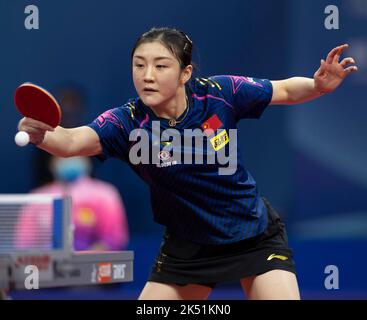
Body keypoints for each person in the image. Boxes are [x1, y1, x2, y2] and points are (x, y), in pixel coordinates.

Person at [17, 27, 358, 300]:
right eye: (139, 64)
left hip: (252, 235)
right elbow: (72, 141)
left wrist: (317, 85)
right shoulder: (127, 123)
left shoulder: (220, 94)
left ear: (185, 73)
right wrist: (41, 133)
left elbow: (283, 90)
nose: (147, 75)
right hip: (187, 248)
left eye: (160, 65)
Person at [15, 156, 129, 251]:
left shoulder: (105, 194)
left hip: (91, 269)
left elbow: (114, 238)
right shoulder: (38, 198)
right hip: (45, 270)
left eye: (75, 154)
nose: (68, 158)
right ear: (51, 163)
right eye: (61, 155)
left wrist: (80, 260)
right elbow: (24, 242)